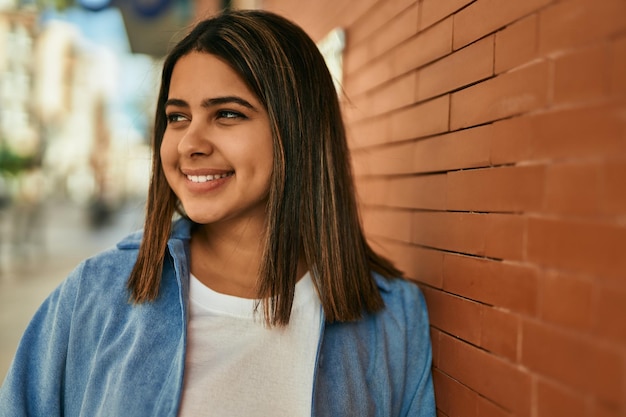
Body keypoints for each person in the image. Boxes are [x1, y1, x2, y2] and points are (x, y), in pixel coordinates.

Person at [0, 9, 435, 417]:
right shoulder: (95, 295)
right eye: (177, 117)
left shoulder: (392, 319)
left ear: (298, 129)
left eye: (226, 114)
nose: (190, 143)